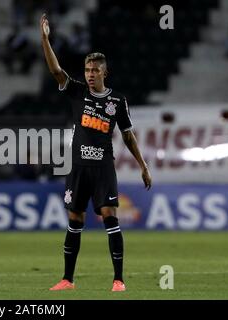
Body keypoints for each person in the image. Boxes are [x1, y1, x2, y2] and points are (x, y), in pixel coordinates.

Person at [40, 14, 152, 292]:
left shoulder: (117, 101)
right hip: (77, 167)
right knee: (74, 220)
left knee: (109, 216)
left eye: (94, 70)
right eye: (87, 69)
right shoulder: (77, 92)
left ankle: (118, 280)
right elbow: (56, 71)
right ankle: (67, 280)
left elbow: (128, 135)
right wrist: (44, 39)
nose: (89, 74)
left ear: (104, 72)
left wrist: (143, 165)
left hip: (102, 168)